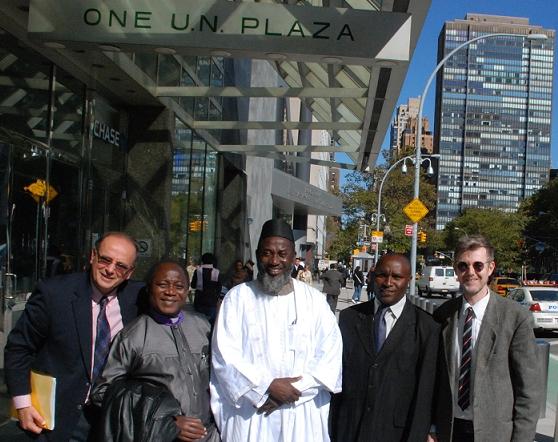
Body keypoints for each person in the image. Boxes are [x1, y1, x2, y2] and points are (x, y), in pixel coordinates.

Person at [210, 219, 342, 442]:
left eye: (282, 254)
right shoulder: (237, 298)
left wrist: (291, 391)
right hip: (252, 413)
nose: (274, 261)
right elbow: (225, 356)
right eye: (267, 253)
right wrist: (266, 386)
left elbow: (330, 357)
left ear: (293, 257)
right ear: (258, 254)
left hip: (300, 413)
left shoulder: (314, 302)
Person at [4, 232, 143, 441]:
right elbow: (19, 348)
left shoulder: (138, 298)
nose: (110, 269)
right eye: (105, 259)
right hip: (61, 419)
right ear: (92, 256)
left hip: (114, 420)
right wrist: (23, 404)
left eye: (121, 266)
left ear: (129, 272)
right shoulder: (55, 293)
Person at [429, 235, 541, 442]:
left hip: (495, 432)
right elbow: (435, 379)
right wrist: (433, 426)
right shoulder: (442, 315)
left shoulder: (515, 317)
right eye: (463, 266)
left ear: (490, 268)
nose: (470, 272)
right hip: (449, 430)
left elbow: (529, 390)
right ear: (456, 270)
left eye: (478, 265)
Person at [91, 261, 219, 442]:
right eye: (162, 285)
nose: (171, 292)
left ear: (187, 290)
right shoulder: (132, 336)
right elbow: (103, 393)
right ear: (149, 288)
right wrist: (164, 421)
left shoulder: (204, 326)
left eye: (179, 286)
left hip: (210, 434)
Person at [330, 253, 440, 441]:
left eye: (397, 277)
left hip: (397, 433)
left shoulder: (427, 327)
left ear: (409, 280)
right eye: (382, 275)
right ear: (372, 276)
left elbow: (425, 391)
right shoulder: (349, 318)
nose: (388, 282)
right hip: (350, 429)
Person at [191, 252, 222, 324]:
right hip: (211, 302)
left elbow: (193, 285)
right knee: (210, 323)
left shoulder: (198, 271)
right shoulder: (216, 272)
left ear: (202, 260)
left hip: (199, 301)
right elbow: (219, 288)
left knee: (198, 323)